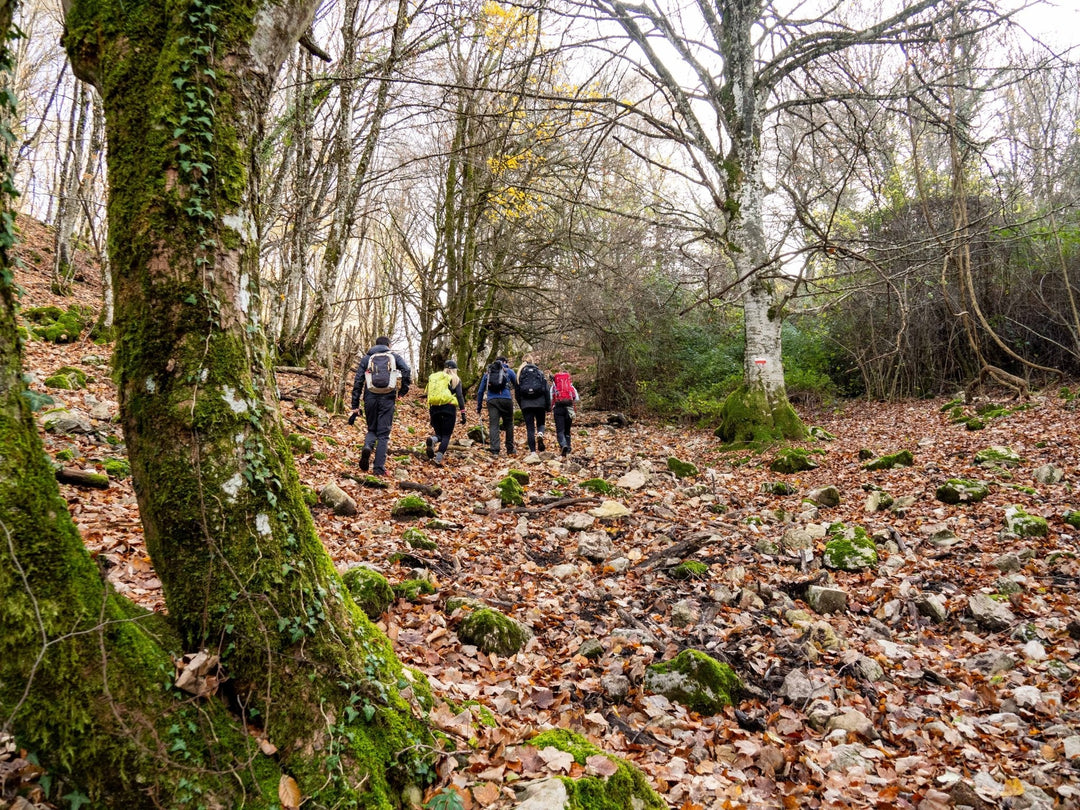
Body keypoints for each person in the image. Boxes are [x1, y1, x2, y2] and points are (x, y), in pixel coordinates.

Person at [350, 336, 411, 476]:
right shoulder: (394, 357)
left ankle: (367, 446)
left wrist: (355, 404)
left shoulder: (367, 358)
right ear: (388, 345)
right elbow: (407, 371)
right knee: (383, 434)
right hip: (388, 397)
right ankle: (378, 469)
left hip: (370, 396)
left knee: (372, 429)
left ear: (375, 345)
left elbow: (358, 381)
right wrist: (403, 391)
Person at [425, 359, 466, 466]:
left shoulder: (436, 378)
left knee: (439, 434)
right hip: (449, 409)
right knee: (446, 435)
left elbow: (430, 395)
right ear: (454, 370)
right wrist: (463, 412)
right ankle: (438, 458)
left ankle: (433, 439)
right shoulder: (455, 379)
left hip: (434, 408)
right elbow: (460, 396)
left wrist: (430, 412)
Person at [476, 355, 517, 456]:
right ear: (504, 362)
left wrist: (479, 406)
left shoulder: (488, 373)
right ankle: (510, 448)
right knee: (509, 424)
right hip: (506, 399)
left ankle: (495, 450)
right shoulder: (509, 372)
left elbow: (480, 391)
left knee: (494, 425)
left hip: (492, 401)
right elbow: (517, 386)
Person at [515, 357, 551, 453]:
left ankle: (533, 452)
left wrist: (521, 404)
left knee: (530, 428)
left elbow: (517, 393)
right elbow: (546, 390)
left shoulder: (520, 374)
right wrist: (548, 406)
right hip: (540, 403)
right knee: (541, 423)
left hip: (526, 405)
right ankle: (540, 433)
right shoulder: (539, 372)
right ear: (533, 361)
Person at [550, 369, 579, 457]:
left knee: (560, 430)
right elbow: (576, 398)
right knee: (567, 430)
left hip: (558, 409)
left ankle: (563, 445)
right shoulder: (571, 386)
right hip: (569, 409)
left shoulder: (554, 387)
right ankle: (568, 447)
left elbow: (551, 398)